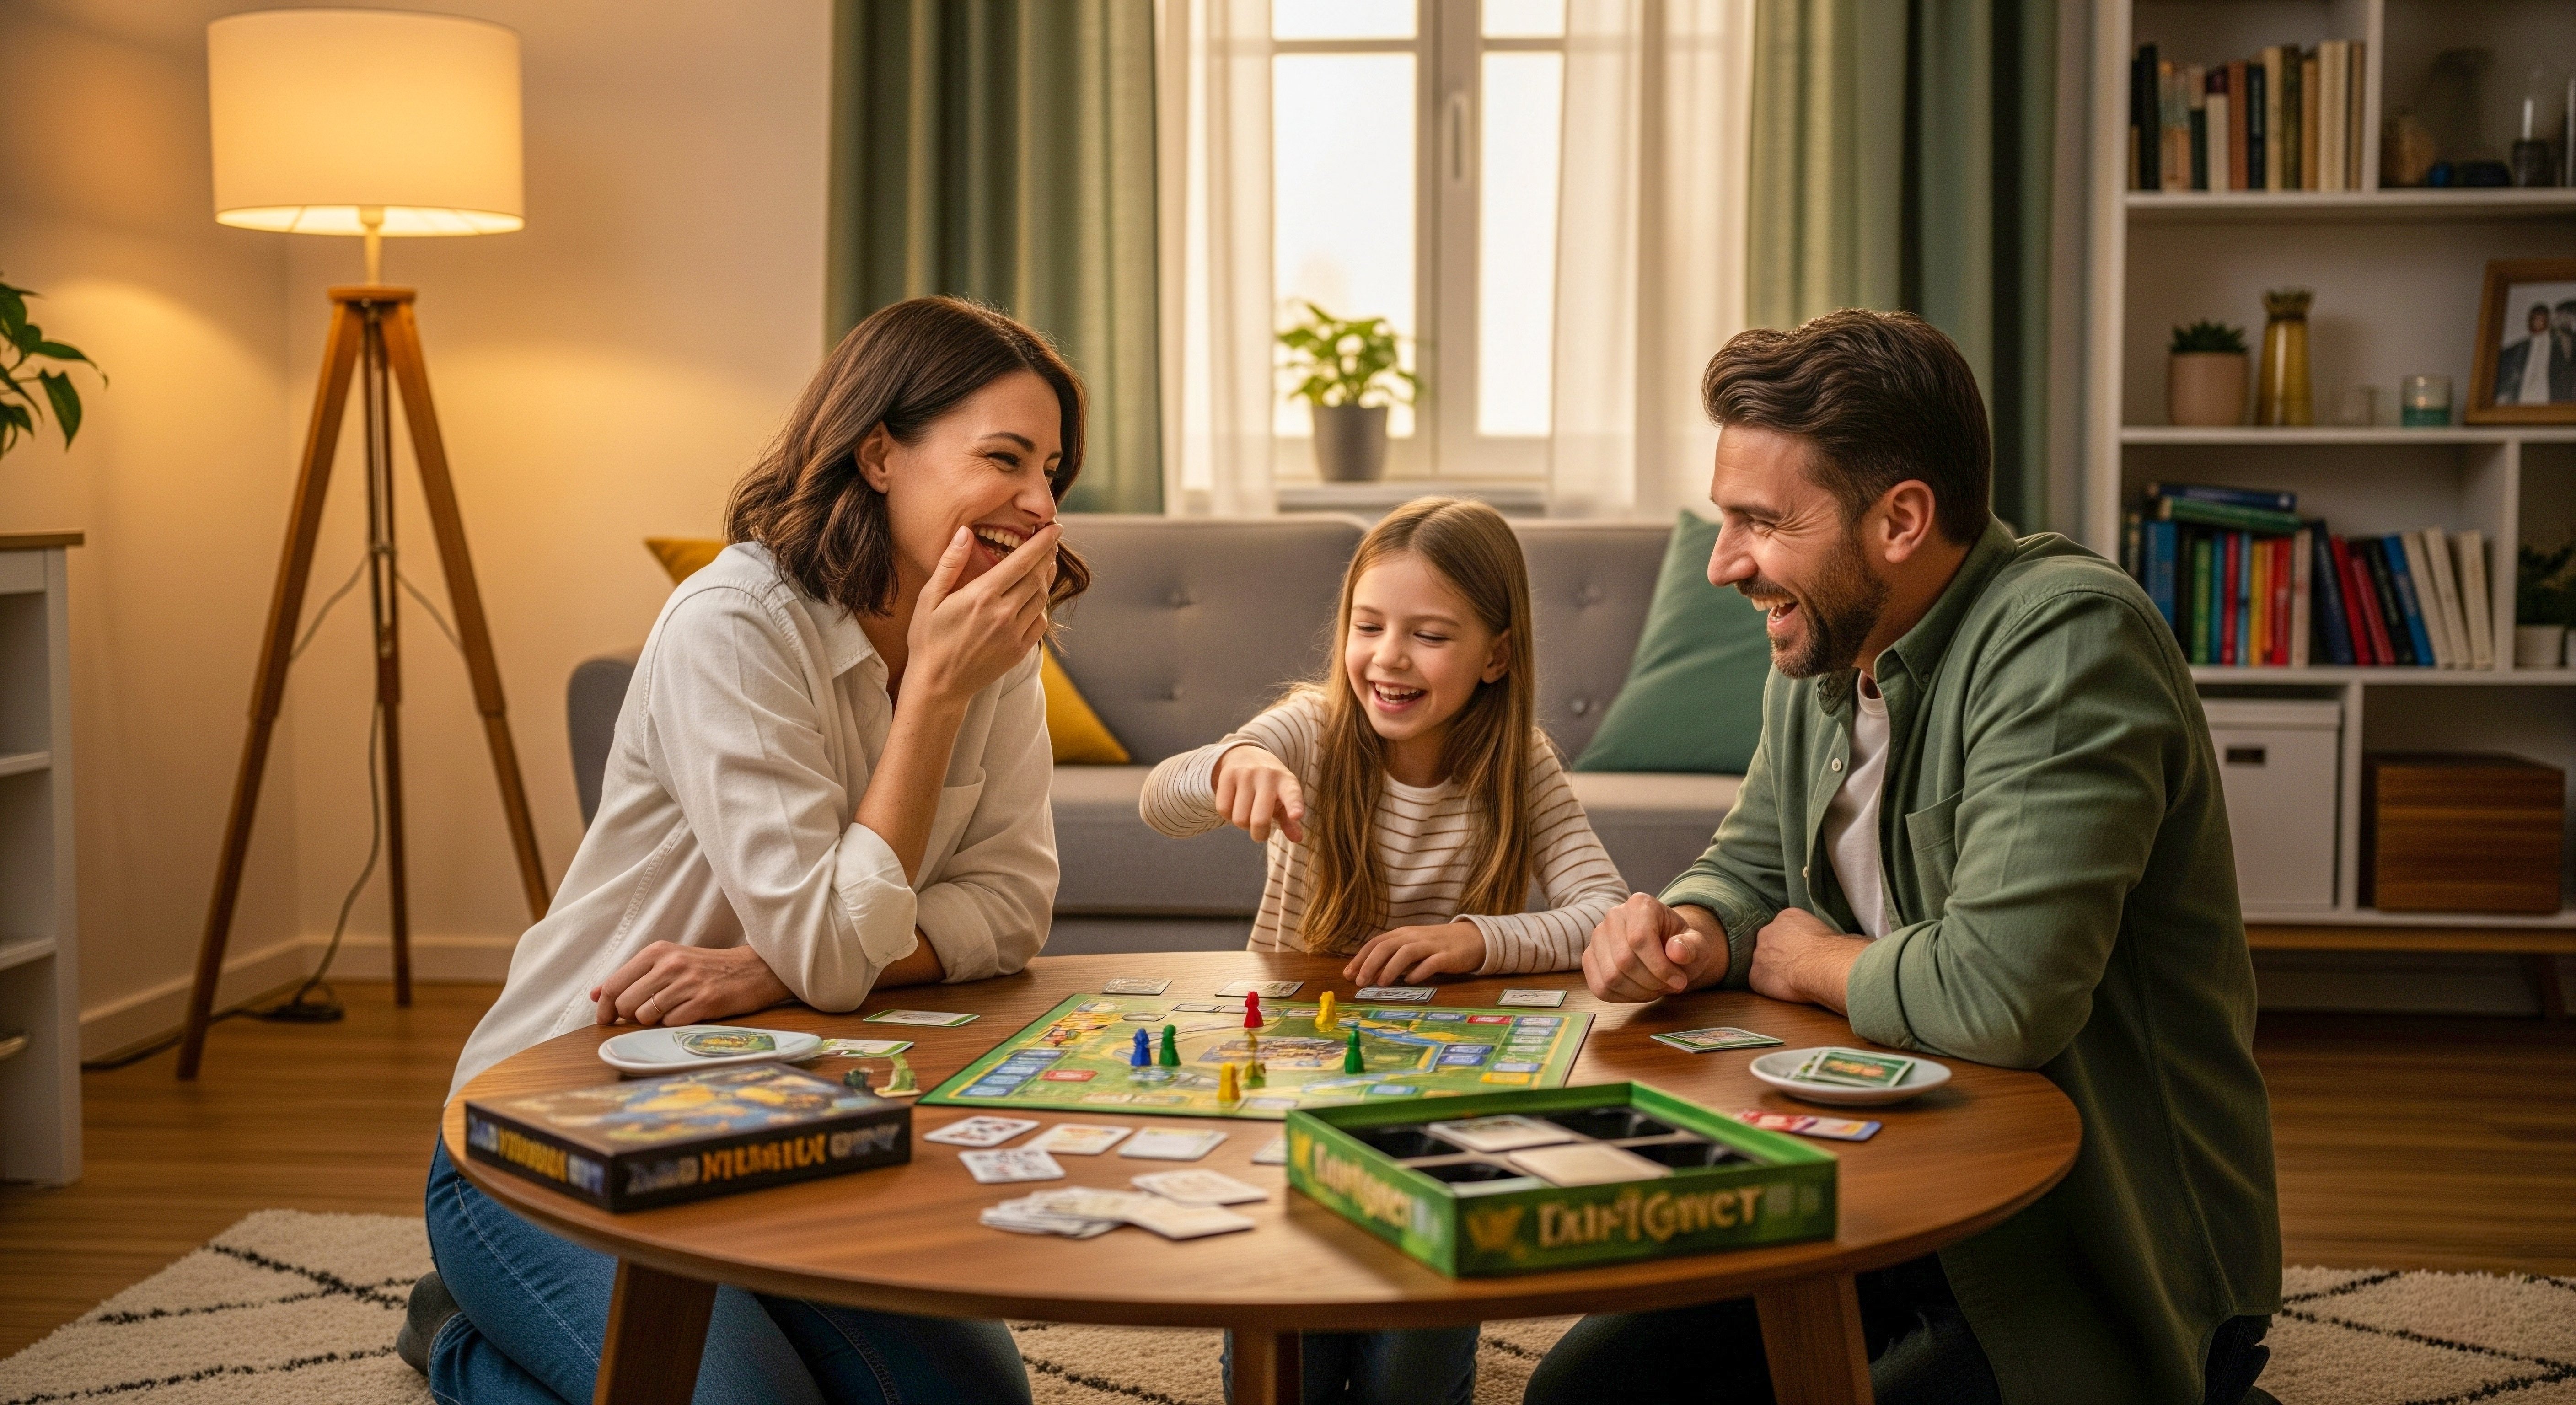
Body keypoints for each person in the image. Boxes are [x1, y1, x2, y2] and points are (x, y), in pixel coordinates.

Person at [1540, 310, 2281, 1405]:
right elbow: (1746, 869)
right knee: (1584, 1395)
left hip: (2083, 1241)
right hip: (1884, 1180)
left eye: (1758, 520)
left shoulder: (2069, 642)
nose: (1721, 563)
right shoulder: (1821, 648)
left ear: (1899, 518)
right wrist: (1688, 931)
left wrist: (1807, 964)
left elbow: (2002, 995)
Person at [407, 296, 1092, 1405]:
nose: (1037, 501)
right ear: (880, 452)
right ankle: (465, 1342)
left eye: (1052, 468)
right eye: (1003, 457)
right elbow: (834, 954)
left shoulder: (996, 633)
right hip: (564, 1113)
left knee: (975, 1402)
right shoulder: (735, 623)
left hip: (796, 1111)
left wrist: (769, 967)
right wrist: (929, 695)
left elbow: (1012, 905)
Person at [1140, 496, 1629, 1405]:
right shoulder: (1309, 729)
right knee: (1288, 1352)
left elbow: (1601, 910)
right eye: (1367, 626)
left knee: (1411, 1367)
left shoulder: (1521, 763)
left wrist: (1470, 941)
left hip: (1445, 1102)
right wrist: (1226, 764)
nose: (1388, 657)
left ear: (1498, 654)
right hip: (1289, 1085)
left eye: (1429, 634)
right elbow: (1160, 800)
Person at [2496, 302, 2555, 405]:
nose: (2537, 323)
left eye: (2541, 319)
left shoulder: (2555, 343)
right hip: (2524, 393)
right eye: (2535, 319)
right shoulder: (2520, 347)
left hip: (2545, 392)